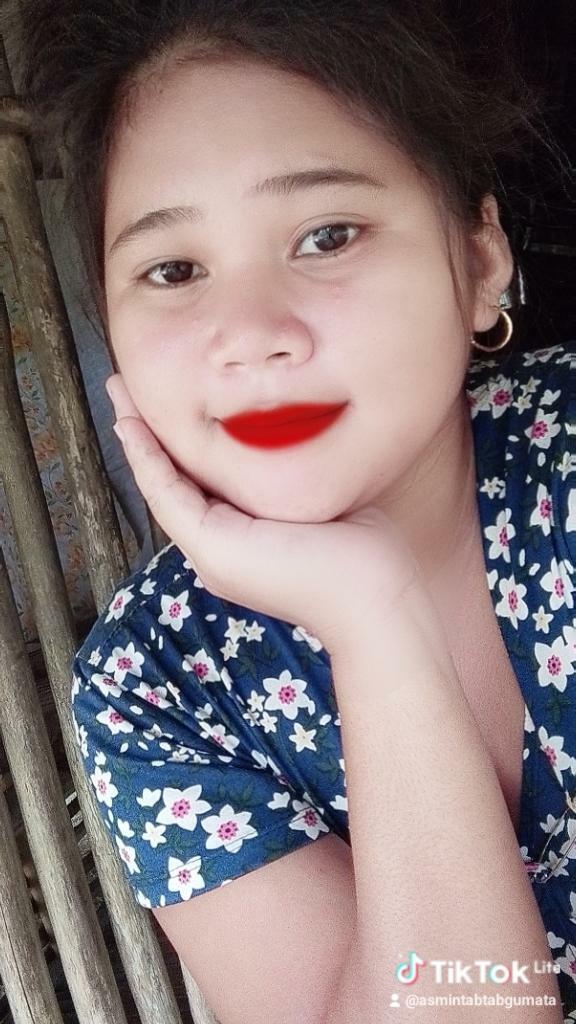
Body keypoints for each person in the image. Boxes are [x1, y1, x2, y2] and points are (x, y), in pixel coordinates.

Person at [9, 1, 576, 1020]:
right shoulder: (156, 689)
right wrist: (374, 625)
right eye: (174, 270)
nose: (250, 334)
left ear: (480, 256)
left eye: (326, 236)